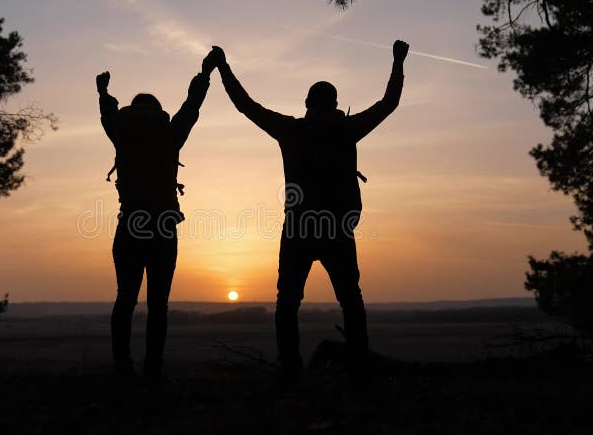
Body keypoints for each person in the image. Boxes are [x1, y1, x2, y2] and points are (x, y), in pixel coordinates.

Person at [209, 41, 409, 383]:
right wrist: (397, 62)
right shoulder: (348, 129)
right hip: (337, 230)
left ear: (306, 104)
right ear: (334, 104)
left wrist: (223, 68)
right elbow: (389, 104)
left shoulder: (292, 130)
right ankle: (358, 365)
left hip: (298, 229)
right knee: (351, 300)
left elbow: (247, 106)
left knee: (287, 303)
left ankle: (290, 368)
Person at [96, 50, 219, 384]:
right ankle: (153, 367)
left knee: (125, 299)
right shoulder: (170, 134)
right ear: (157, 111)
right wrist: (205, 73)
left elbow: (108, 116)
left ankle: (122, 365)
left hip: (131, 222)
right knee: (158, 305)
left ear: (132, 111)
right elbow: (192, 107)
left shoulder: (121, 132)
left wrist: (104, 94)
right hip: (164, 225)